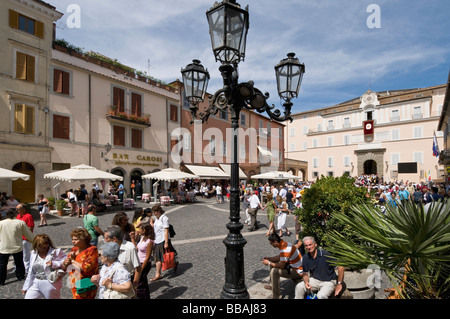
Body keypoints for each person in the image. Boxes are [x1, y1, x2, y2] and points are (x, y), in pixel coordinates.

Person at [22, 234, 67, 299]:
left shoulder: (56, 252)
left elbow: (67, 262)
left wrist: (54, 263)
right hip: (36, 282)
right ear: (36, 245)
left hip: (50, 283)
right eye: (41, 244)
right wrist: (26, 286)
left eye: (46, 243)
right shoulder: (34, 253)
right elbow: (30, 271)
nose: (44, 246)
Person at [261, 233, 303, 299]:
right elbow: (280, 257)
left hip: (297, 271)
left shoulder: (285, 249)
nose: (270, 244)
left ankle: (276, 297)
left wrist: (268, 263)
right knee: (273, 262)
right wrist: (269, 258)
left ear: (275, 242)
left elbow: (282, 266)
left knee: (274, 272)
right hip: (293, 266)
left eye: (271, 243)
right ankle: (273, 286)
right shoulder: (283, 244)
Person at [0, 208, 34, 285]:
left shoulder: (1, 223)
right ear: (15, 214)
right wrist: (34, 241)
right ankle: (20, 276)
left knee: (2, 264)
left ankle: (1, 281)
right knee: (19, 262)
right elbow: (28, 234)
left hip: (4, 247)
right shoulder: (20, 223)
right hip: (17, 246)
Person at [62, 228, 99, 299]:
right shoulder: (74, 249)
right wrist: (65, 263)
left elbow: (86, 268)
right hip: (75, 283)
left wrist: (72, 261)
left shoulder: (91, 250)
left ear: (84, 240)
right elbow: (66, 266)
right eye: (72, 239)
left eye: (76, 239)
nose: (73, 241)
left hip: (85, 284)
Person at [104, 225, 141, 293]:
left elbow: (138, 268)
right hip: (110, 282)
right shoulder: (107, 248)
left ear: (114, 239)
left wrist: (134, 287)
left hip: (126, 283)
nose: (104, 241)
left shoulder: (130, 248)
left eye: (106, 238)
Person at [151, 204, 178, 281]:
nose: (153, 213)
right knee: (157, 257)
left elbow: (166, 231)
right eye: (153, 212)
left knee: (165, 256)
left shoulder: (164, 218)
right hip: (157, 240)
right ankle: (158, 274)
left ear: (159, 211)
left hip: (163, 240)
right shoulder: (156, 218)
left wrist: (166, 242)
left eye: (155, 212)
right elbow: (156, 228)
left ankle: (173, 262)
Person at [136, 223, 155, 299]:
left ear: (144, 230)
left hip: (144, 263)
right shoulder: (142, 238)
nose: (139, 230)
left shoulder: (149, 241)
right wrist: (134, 238)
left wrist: (141, 268)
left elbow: (147, 257)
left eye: (140, 229)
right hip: (139, 262)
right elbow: (136, 248)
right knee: (143, 282)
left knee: (140, 283)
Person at [16, 203, 34, 273]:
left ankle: (27, 269)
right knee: (20, 254)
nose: (17, 210)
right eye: (16, 209)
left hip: (25, 239)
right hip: (18, 238)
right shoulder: (18, 216)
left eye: (18, 209)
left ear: (23, 209)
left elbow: (30, 227)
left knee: (26, 255)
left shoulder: (28, 216)